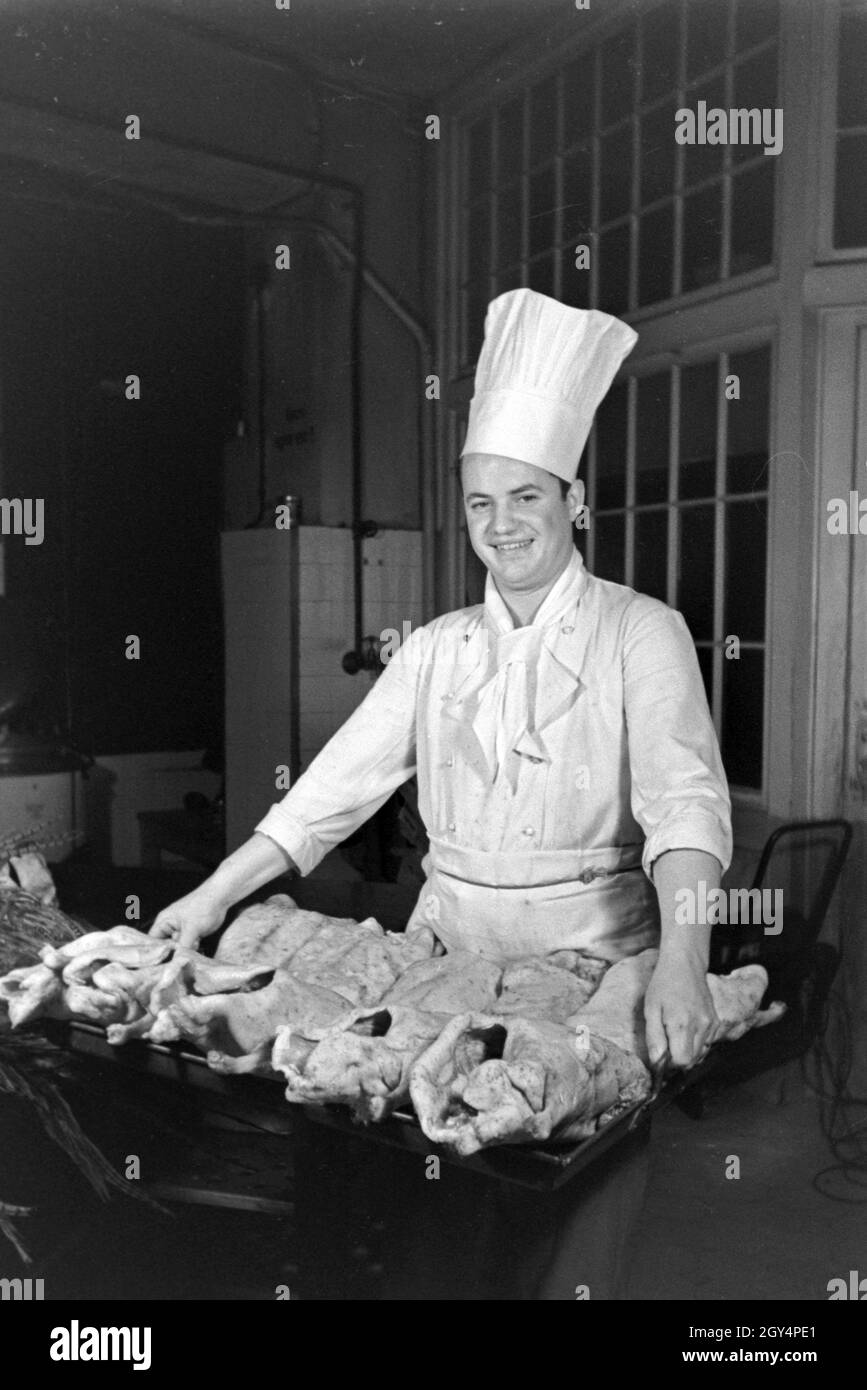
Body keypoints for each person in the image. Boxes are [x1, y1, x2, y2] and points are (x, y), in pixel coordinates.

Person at [151, 289, 732, 1298]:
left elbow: (686, 809)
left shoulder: (645, 632)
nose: (501, 526)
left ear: (574, 499)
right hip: (447, 967)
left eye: (526, 498)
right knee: (442, 1232)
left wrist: (684, 960)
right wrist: (211, 897)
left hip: (594, 972)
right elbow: (324, 798)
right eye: (479, 503)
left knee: (571, 1242)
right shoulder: (435, 651)